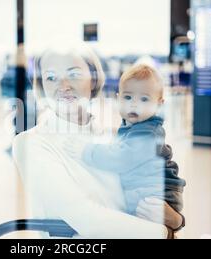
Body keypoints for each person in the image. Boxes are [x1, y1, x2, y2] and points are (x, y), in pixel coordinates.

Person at [12, 45, 184, 239]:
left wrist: (175, 220)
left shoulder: (114, 139)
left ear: (93, 81)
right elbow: (85, 217)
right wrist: (165, 234)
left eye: (74, 74)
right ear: (42, 87)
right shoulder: (30, 143)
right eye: (51, 77)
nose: (63, 85)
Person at [64, 64, 186, 218]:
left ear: (159, 104)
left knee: (118, 213)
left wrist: (87, 151)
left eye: (144, 99)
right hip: (147, 189)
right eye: (128, 97)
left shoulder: (148, 132)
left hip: (159, 194)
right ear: (118, 98)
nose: (134, 104)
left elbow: (122, 157)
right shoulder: (134, 125)